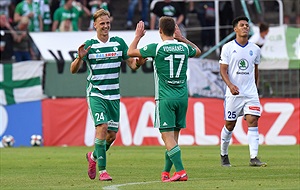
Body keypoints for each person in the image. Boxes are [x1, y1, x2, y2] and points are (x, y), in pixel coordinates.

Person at [70, 9, 145, 181]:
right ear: (95, 25)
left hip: (114, 95)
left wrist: (139, 62)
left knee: (111, 136)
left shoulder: (118, 43)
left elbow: (133, 65)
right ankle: (103, 171)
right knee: (101, 128)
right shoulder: (89, 44)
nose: (105, 26)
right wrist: (79, 58)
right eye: (102, 23)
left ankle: (93, 157)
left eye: (107, 23)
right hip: (96, 93)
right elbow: (73, 70)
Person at [127, 17, 201, 182]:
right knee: (173, 138)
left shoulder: (157, 47)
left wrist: (138, 36)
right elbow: (197, 51)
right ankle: (166, 172)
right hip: (182, 98)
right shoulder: (183, 47)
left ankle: (181, 171)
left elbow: (130, 52)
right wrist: (181, 38)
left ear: (159, 31)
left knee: (167, 138)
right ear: (174, 30)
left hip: (165, 98)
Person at [219, 16, 267, 167]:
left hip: (250, 93)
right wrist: (230, 85)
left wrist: (255, 89)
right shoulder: (227, 48)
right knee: (230, 125)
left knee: (253, 120)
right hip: (233, 93)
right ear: (235, 29)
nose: (245, 27)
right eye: (242, 25)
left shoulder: (255, 49)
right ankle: (224, 154)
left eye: (247, 25)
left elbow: (256, 71)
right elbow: (223, 70)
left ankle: (254, 157)